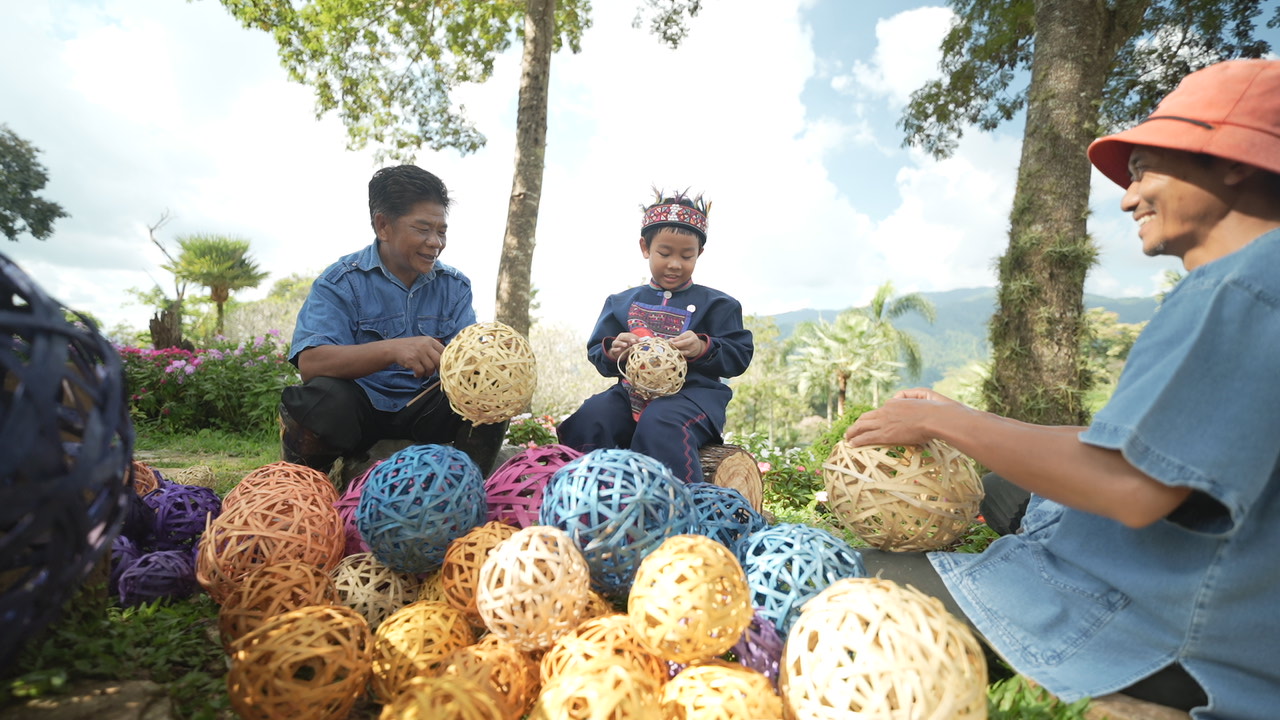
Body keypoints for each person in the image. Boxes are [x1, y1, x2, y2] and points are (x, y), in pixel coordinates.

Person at [843, 59, 1280, 718]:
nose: (1128, 199)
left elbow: (1133, 489)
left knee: (825, 578)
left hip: (1155, 635)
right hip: (1242, 625)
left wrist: (946, 421)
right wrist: (955, 419)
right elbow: (1141, 447)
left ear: (1235, 161)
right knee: (1000, 484)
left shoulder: (1243, 287)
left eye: (1144, 173)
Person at [279, 165, 507, 476]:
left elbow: (468, 368)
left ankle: (468, 485)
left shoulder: (455, 287)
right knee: (320, 400)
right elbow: (312, 363)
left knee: (492, 390)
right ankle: (305, 483)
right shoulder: (341, 282)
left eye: (442, 231)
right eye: (422, 229)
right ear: (383, 226)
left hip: (425, 414)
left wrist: (488, 363)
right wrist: (393, 350)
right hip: (360, 414)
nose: (435, 242)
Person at [557, 190, 754, 483]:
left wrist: (703, 346)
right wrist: (614, 351)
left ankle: (675, 508)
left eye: (686, 255)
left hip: (693, 399)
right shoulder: (621, 302)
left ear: (699, 253)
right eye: (665, 253)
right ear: (645, 247)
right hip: (629, 395)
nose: (675, 263)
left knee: (661, 421)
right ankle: (583, 496)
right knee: (592, 416)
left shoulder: (719, 305)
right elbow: (598, 353)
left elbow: (738, 356)